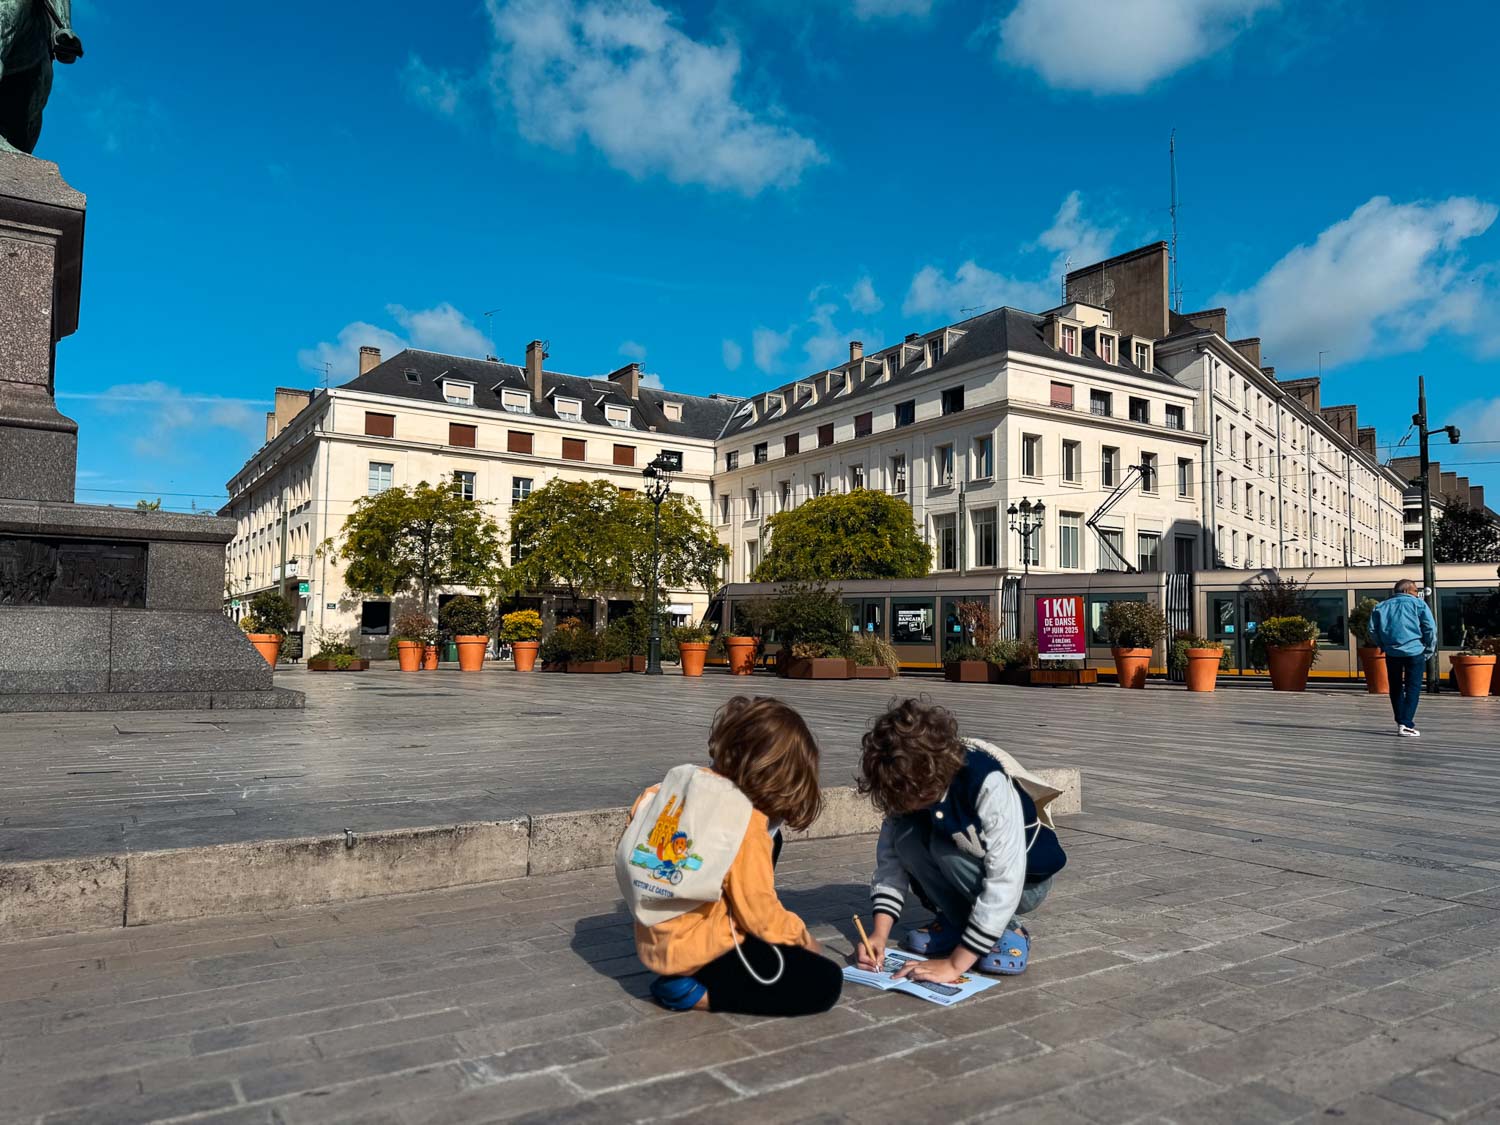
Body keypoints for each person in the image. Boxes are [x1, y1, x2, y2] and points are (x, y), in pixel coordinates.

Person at [621, 696, 842, 1015]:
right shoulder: (745, 821)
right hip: (700, 952)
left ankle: (687, 976)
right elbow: (760, 912)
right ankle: (693, 993)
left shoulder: (673, 787)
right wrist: (803, 940)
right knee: (825, 981)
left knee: (772, 841)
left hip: (654, 939)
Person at [854, 699, 1067, 984]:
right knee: (907, 839)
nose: (907, 805)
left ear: (930, 775)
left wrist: (955, 965)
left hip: (1026, 882)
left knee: (946, 851)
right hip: (971, 866)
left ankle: (1009, 930)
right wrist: (879, 935)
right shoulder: (904, 784)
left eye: (913, 798)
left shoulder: (986, 781)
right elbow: (891, 861)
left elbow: (1007, 876)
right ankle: (959, 923)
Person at [1370, 579, 1437, 737]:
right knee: (1412, 688)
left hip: (1392, 653)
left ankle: (1401, 722)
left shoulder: (1380, 606)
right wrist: (1428, 649)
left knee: (1395, 688)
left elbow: (1372, 630)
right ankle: (1406, 724)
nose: (1417, 594)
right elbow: (1430, 628)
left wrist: (1383, 645)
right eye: (1416, 591)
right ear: (1407, 591)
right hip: (1414, 652)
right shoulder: (1419, 605)